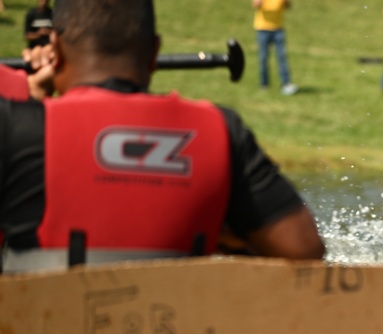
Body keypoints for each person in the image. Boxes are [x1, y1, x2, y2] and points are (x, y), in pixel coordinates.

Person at [0, 0, 325, 272]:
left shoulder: (17, 127)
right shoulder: (222, 130)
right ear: (155, 52)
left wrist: (25, 101)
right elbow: (303, 248)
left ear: (54, 48)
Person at [253, 0, 297, 95]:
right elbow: (255, 4)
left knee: (282, 57)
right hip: (263, 29)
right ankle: (264, 84)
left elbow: (288, 7)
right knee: (263, 58)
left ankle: (286, 83)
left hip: (278, 29)